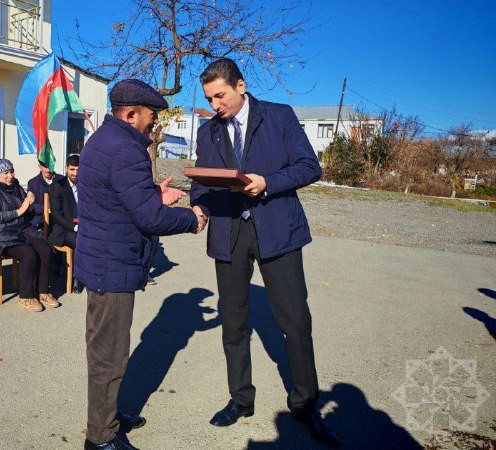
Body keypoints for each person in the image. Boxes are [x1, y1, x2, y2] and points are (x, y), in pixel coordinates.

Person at [191, 59, 338, 447]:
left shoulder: (279, 116)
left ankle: (305, 404)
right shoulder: (208, 132)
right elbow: (202, 183)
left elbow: (309, 167)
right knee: (233, 323)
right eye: (209, 98)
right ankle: (241, 399)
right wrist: (198, 206)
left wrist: (267, 182)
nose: (215, 105)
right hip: (229, 233)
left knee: (296, 321)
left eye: (220, 96)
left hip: (277, 230)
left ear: (240, 86)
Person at [75, 79, 205, 450]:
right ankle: (101, 437)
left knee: (107, 351)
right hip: (112, 266)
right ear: (131, 114)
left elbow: (117, 197)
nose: (155, 122)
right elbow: (150, 218)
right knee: (109, 356)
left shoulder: (103, 139)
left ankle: (108, 415)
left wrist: (153, 194)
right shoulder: (126, 150)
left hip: (103, 261)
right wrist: (191, 219)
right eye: (152, 115)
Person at [0, 159, 59, 313]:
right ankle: (26, 297)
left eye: (11, 171)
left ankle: (43, 291)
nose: (10, 176)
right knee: (28, 254)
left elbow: (27, 212)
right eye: (6, 173)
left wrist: (30, 204)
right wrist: (20, 210)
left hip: (23, 229)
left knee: (45, 249)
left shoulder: (16, 186)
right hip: (2, 234)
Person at [48, 154, 83, 293]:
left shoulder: (86, 184)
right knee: (81, 242)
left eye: (78, 169)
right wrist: (75, 227)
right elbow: (56, 216)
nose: (75, 173)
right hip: (64, 229)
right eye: (72, 169)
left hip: (84, 225)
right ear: (66, 168)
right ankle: (77, 278)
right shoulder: (58, 186)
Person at [26, 161, 63, 230]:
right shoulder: (33, 183)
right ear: (40, 167)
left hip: (60, 221)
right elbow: (31, 206)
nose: (48, 170)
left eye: (50, 166)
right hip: (39, 221)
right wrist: (47, 209)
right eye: (45, 167)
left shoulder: (62, 180)